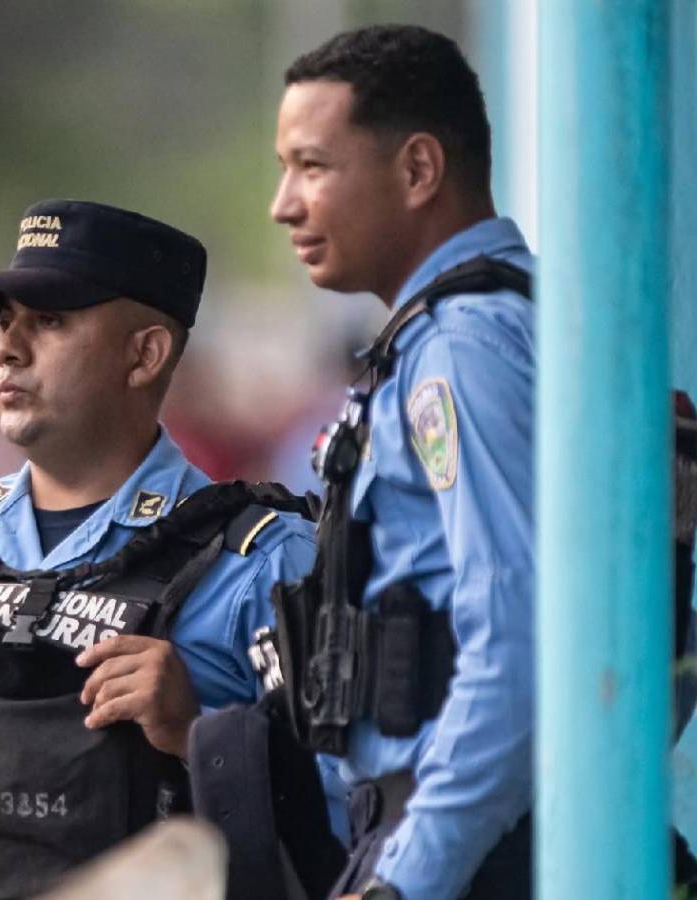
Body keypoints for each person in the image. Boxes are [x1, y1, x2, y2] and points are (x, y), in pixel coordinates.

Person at [0, 199, 327, 899]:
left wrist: (198, 738)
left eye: (50, 321)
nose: (6, 348)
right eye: (4, 322)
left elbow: (341, 843)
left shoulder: (261, 561)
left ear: (144, 353)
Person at [266, 25, 536, 900]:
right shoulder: (462, 330)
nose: (285, 203)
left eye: (313, 166)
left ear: (419, 170)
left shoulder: (465, 347)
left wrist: (408, 879)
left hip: (471, 850)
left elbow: (517, 630)